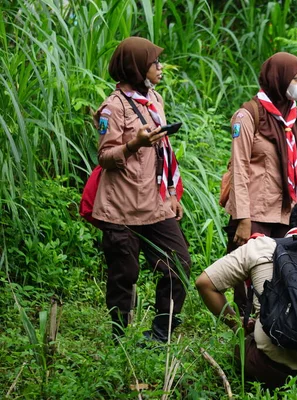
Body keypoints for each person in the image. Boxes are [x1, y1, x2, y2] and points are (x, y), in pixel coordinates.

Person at [196, 197, 297, 389]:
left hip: (270, 370)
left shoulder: (259, 247)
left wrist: (237, 326)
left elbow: (204, 283)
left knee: (247, 340)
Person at [93, 37, 191, 343]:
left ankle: (160, 334)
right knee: (124, 275)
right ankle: (119, 340)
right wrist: (135, 143)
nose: (160, 68)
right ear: (137, 68)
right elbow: (105, 157)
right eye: (154, 63)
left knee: (179, 264)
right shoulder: (114, 107)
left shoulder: (154, 100)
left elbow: (165, 151)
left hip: (156, 203)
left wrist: (174, 194)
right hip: (120, 207)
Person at [219, 52, 297, 311]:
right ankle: (245, 330)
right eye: (294, 78)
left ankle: (276, 327)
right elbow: (239, 167)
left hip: (286, 210)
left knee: (283, 271)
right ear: (277, 79)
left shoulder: (296, 118)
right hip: (255, 209)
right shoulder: (248, 115)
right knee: (249, 272)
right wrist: (243, 218)